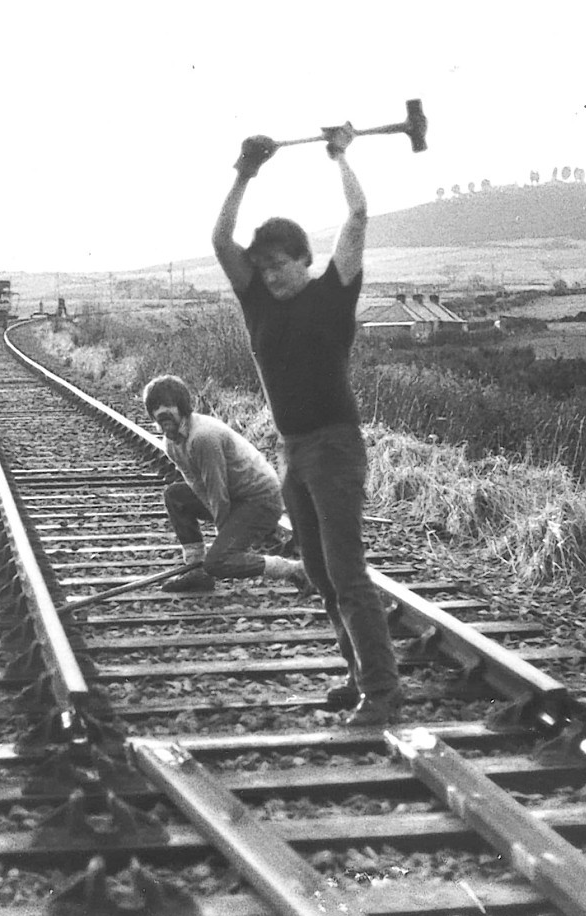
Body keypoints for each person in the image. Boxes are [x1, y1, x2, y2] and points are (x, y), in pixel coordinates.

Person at [210, 125, 401, 726]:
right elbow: (219, 239)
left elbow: (360, 213)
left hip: (337, 448)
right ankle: (359, 676)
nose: (270, 273)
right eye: (262, 265)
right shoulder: (258, 303)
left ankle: (384, 693)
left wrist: (340, 156)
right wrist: (245, 171)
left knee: (346, 572)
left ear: (304, 260)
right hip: (292, 451)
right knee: (320, 574)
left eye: (280, 263)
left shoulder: (332, 293)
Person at [142, 374, 310, 594]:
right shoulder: (172, 443)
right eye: (155, 409)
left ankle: (295, 569)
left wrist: (224, 540)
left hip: (259, 500)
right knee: (176, 496)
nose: (161, 414)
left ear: (182, 407)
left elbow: (217, 492)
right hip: (235, 496)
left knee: (218, 562)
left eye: (167, 408)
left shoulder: (203, 437)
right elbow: (197, 487)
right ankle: (194, 570)